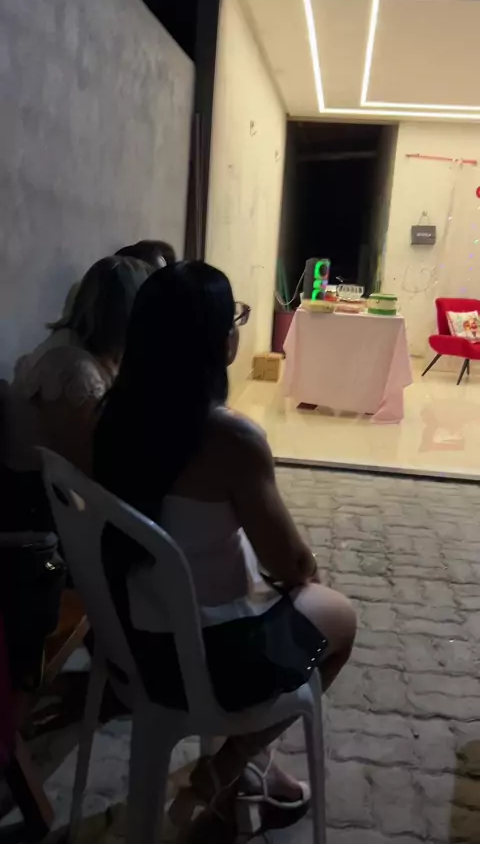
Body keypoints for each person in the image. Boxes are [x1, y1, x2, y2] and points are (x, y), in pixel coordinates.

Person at [94, 262, 356, 841]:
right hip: (207, 664)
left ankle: (251, 772)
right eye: (233, 316)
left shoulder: (111, 418)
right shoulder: (231, 439)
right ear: (217, 342)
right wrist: (307, 574)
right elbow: (291, 564)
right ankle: (227, 767)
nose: (238, 327)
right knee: (337, 617)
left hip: (130, 646)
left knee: (284, 599)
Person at [1, 256, 148, 529]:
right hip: (36, 513)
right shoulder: (74, 370)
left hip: (47, 502)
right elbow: (93, 468)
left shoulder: (73, 347)